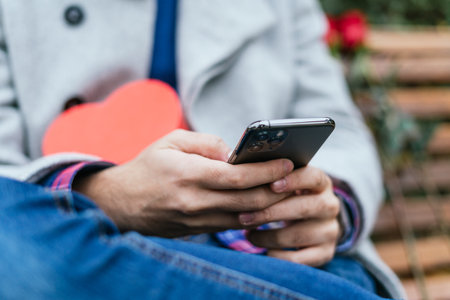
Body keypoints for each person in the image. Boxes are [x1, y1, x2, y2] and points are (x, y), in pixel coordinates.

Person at [0, 0, 405, 299]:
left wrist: (331, 208)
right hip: (76, 237)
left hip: (272, 252)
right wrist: (107, 196)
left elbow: (342, 130)